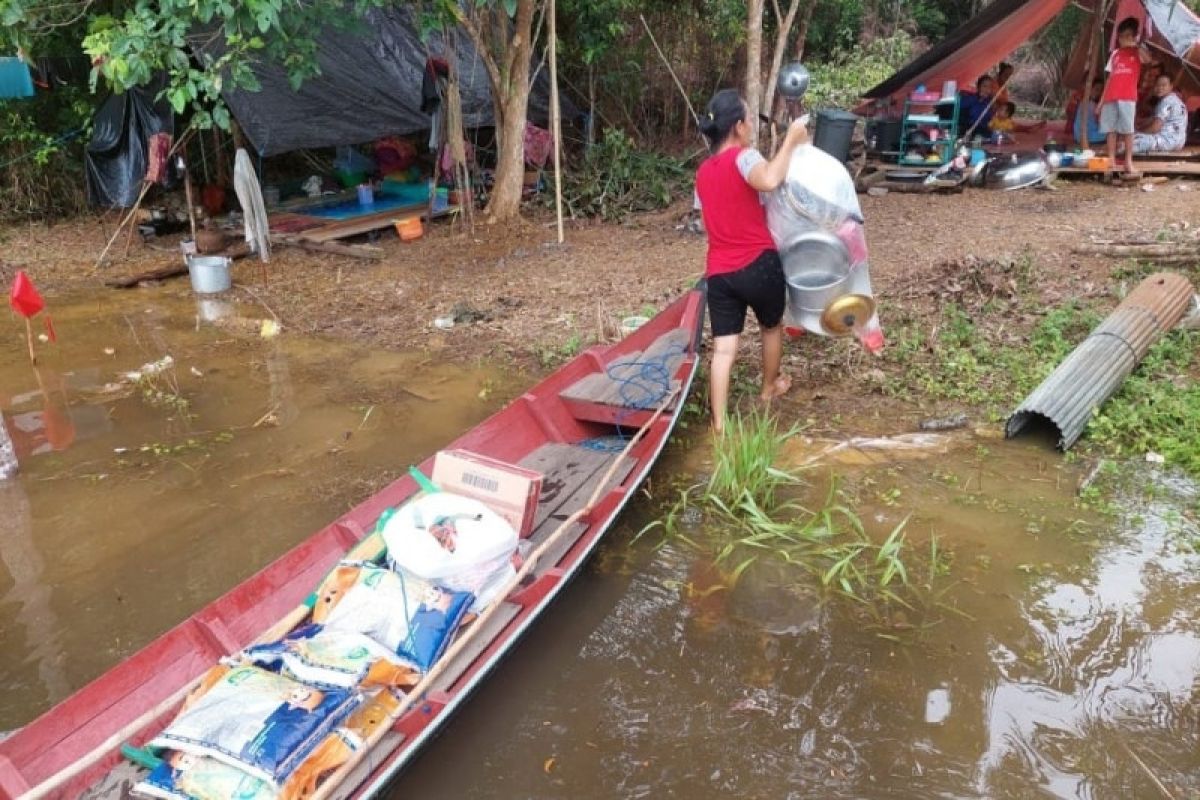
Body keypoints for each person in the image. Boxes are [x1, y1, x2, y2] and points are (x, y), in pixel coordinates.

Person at [694, 89, 809, 433]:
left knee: (724, 349)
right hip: (759, 263)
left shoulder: (702, 173)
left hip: (719, 273)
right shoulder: (745, 157)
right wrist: (790, 140)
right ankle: (767, 389)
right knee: (770, 327)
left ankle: (719, 424)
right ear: (740, 127)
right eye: (749, 120)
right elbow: (770, 179)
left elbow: (706, 223)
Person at [1100, 17, 1152, 175]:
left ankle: (1128, 162)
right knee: (1110, 129)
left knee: (1128, 130)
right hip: (1111, 96)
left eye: (1128, 36)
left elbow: (1148, 59)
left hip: (1127, 97)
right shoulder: (1115, 54)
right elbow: (1109, 78)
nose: (1123, 39)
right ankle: (1111, 159)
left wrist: (1136, 44)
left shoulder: (1137, 53)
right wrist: (1101, 101)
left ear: (1134, 36)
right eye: (1121, 36)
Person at [1133, 73, 1188, 154]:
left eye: (1164, 85)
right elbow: (1154, 119)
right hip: (1178, 142)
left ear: (1171, 86)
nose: (1160, 88)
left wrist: (1140, 132)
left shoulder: (1166, 101)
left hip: (1166, 141)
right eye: (1157, 85)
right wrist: (1140, 124)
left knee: (1131, 141)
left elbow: (1155, 128)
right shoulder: (1175, 100)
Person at [1072, 79, 1108, 147]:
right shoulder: (1092, 105)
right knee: (1111, 134)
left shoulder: (1083, 102)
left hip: (1078, 136)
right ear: (1090, 89)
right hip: (1088, 136)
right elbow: (1100, 122)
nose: (1099, 93)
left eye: (1101, 90)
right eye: (1097, 89)